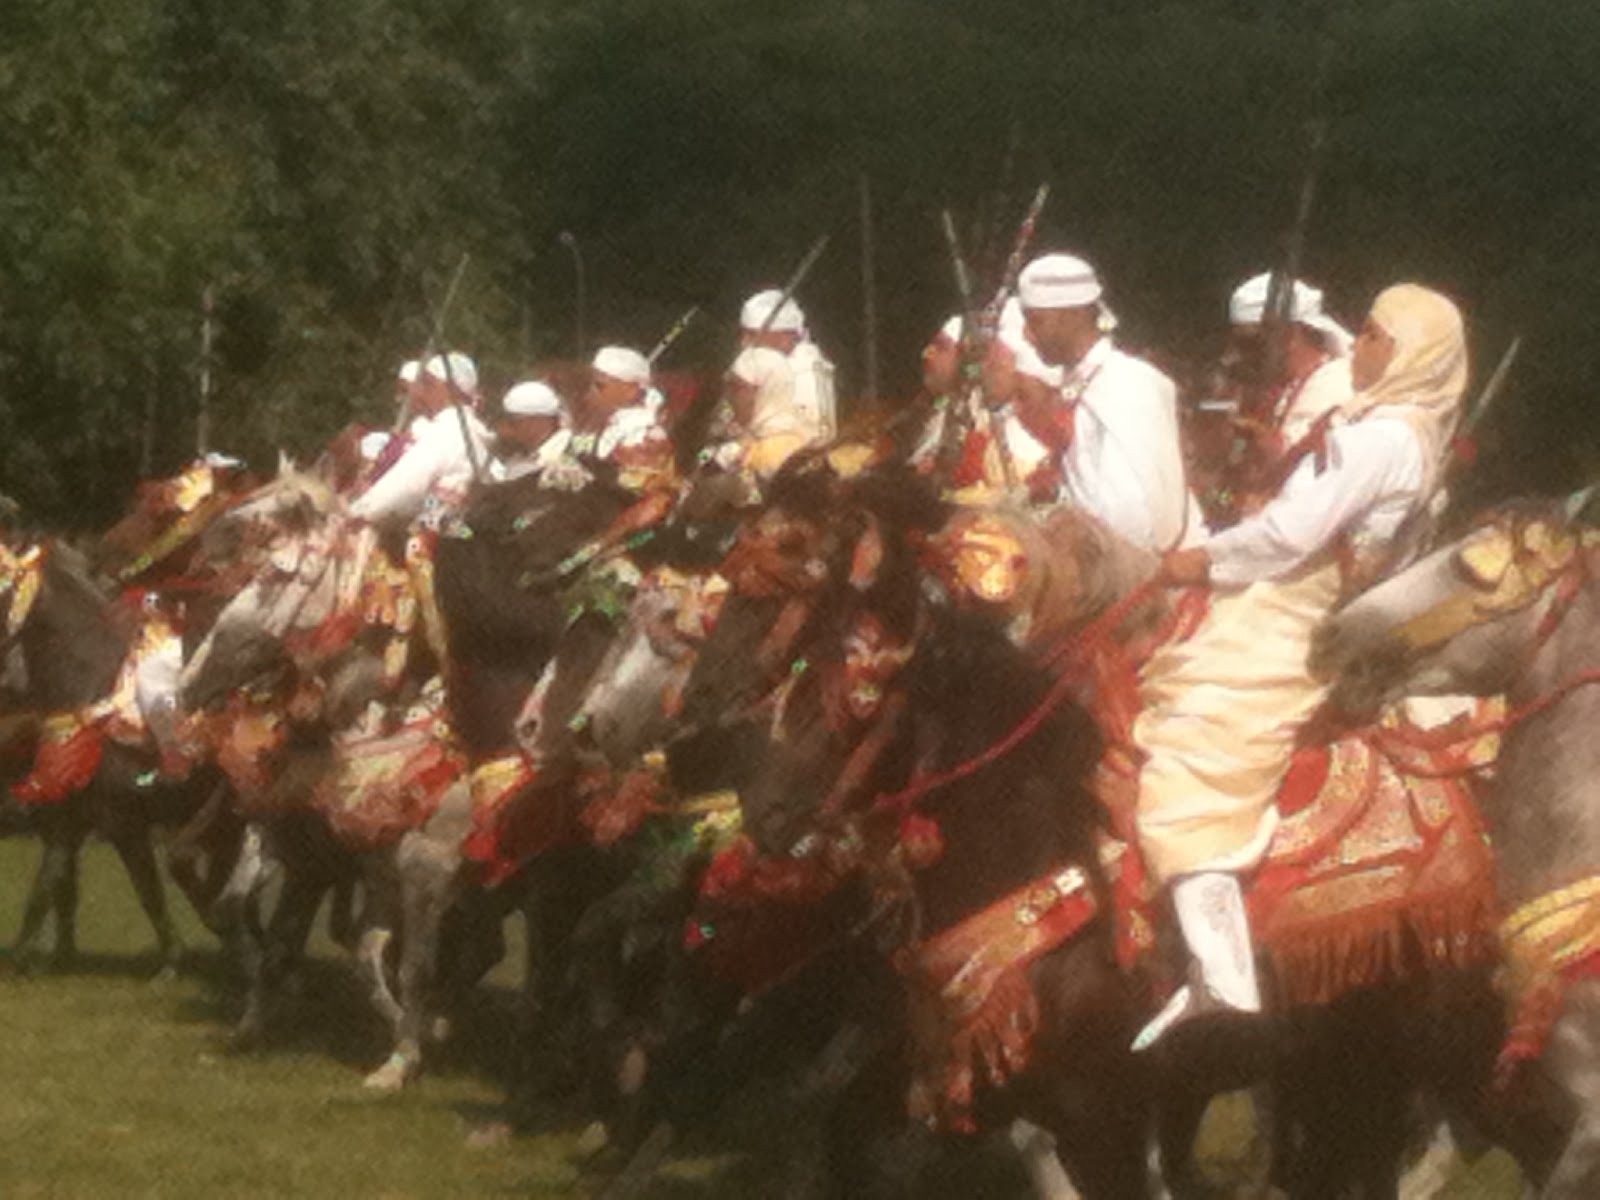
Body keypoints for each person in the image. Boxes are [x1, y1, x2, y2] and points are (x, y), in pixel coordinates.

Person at [1130, 284, 1468, 1048]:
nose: (1362, 347)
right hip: (1292, 595)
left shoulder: (1384, 438)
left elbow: (1290, 536)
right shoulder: (1397, 426)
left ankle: (1222, 968)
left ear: (1414, 355)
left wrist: (1196, 561)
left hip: (1296, 614)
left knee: (1196, 746)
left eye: (1380, 337)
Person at [1018, 254, 1194, 551]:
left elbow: (1133, 520)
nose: (1026, 334)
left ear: (1073, 315)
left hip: (1132, 571)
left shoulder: (1128, 383)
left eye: (1036, 321)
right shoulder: (1077, 381)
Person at [350, 351, 490, 528]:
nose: (419, 393)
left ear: (452, 390)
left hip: (430, 536)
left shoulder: (449, 431)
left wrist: (357, 513)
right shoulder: (472, 430)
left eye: (428, 384)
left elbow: (404, 485)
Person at [717, 289, 836, 479]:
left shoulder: (804, 371)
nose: (744, 343)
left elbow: (802, 441)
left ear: (784, 335)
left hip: (785, 475)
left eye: (752, 335)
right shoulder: (761, 366)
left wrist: (729, 453)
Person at [491, 381, 571, 483]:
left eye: (513, 422)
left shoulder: (565, 456)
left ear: (538, 421)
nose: (504, 430)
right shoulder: (523, 456)